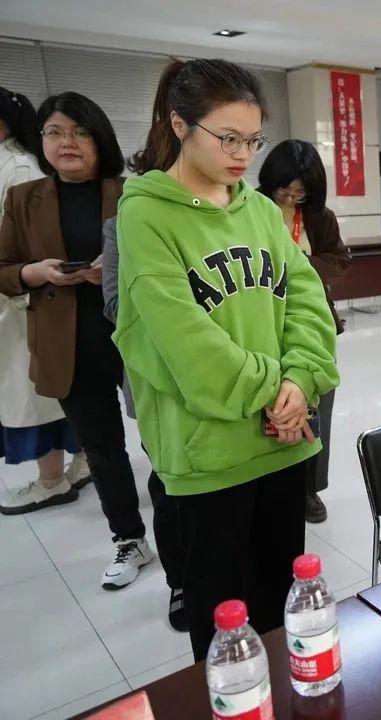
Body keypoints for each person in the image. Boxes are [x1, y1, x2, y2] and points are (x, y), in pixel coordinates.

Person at [117, 58, 339, 660]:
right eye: (228, 138)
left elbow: (307, 303)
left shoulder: (261, 211)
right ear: (180, 125)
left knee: (282, 607)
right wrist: (276, 394)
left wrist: (301, 380)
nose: (243, 154)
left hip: (281, 440)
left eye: (253, 140)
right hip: (210, 453)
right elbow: (182, 337)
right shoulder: (145, 213)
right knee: (224, 627)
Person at [0, 92, 153, 589]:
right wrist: (36, 272)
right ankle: (129, 539)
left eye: (80, 132)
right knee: (103, 450)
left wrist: (119, 268)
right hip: (69, 347)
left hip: (137, 341)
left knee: (161, 443)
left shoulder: (133, 193)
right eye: (54, 132)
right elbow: (3, 268)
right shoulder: (24, 199)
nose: (67, 142)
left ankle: (181, 531)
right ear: (40, 139)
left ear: (100, 138)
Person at [0, 86, 91, 514]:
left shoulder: (19, 168)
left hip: (28, 303)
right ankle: (81, 464)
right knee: (51, 393)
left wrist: (24, 287)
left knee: (37, 397)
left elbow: (35, 245)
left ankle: (52, 479)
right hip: (22, 296)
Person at [100, 215, 187, 632]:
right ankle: (181, 581)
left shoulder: (234, 214)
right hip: (159, 382)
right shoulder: (123, 225)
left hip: (232, 376)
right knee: (169, 483)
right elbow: (114, 304)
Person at [257, 139, 350, 524]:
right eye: (284, 190)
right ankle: (271, 483)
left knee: (315, 407)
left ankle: (309, 489)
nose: (291, 199)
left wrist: (299, 266)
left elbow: (339, 260)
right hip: (263, 322)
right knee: (270, 406)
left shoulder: (319, 217)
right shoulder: (249, 208)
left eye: (300, 193)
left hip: (311, 321)